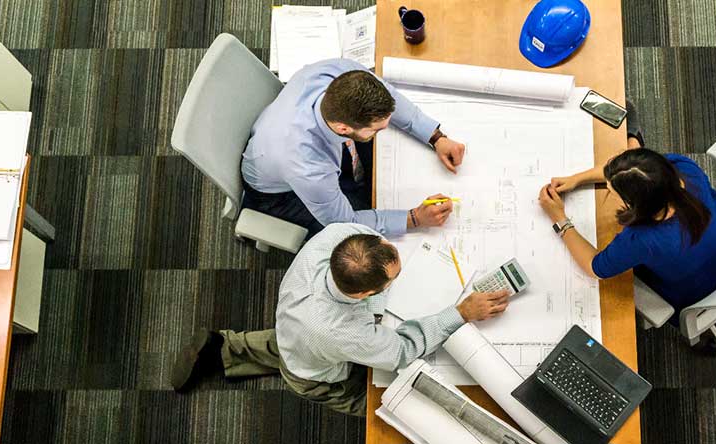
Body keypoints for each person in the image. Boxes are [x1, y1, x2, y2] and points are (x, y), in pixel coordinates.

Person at [170, 223, 511, 416]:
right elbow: (402, 351)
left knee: (288, 343)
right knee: (382, 404)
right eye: (393, 279)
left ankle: (222, 347)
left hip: (294, 326)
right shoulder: (344, 332)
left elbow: (370, 239)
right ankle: (389, 413)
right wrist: (461, 312)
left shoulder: (335, 238)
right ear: (365, 294)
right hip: (315, 372)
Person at [536, 106, 716, 350]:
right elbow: (633, 170)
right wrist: (578, 178)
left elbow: (594, 267)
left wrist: (560, 219)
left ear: (634, 204)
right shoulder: (683, 169)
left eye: (612, 191)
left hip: (699, 291)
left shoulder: (642, 239)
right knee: (630, 124)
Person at [241, 58, 467, 238]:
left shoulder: (340, 73)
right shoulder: (308, 167)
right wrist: (415, 218)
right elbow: (345, 222)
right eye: (377, 129)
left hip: (281, 139)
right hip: (279, 194)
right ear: (343, 128)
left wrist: (435, 137)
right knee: (360, 239)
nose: (384, 130)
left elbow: (390, 98)